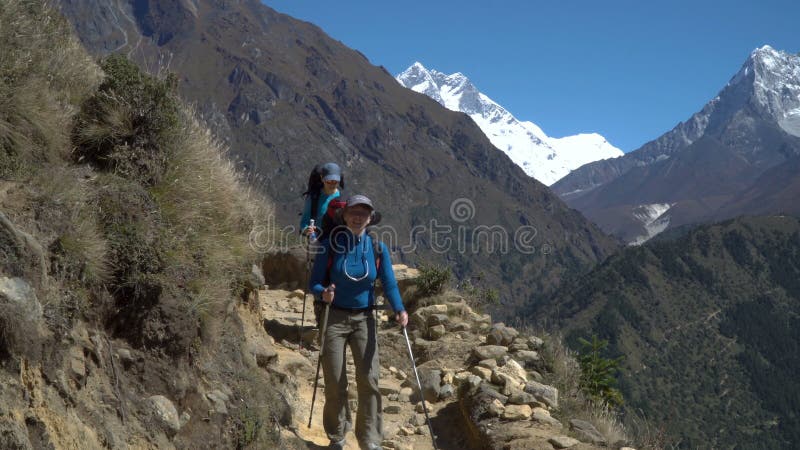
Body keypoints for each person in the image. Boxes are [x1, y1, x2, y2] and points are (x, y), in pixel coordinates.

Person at [309, 195, 409, 450]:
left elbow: (388, 283)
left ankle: (370, 439)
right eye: (354, 212)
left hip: (365, 318)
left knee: (369, 379)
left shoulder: (377, 248)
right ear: (344, 215)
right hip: (334, 317)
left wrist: (399, 308)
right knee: (334, 379)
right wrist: (323, 293)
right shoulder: (329, 244)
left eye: (363, 214)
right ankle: (338, 435)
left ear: (370, 218)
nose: (358, 217)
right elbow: (314, 282)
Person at [300, 162, 343, 237]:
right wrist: (307, 230)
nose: (332, 184)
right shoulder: (314, 198)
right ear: (322, 178)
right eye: (329, 181)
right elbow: (304, 221)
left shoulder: (342, 199)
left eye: (335, 182)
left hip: (337, 239)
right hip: (317, 240)